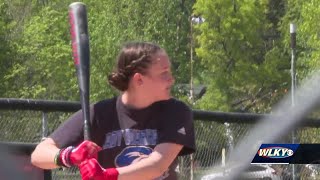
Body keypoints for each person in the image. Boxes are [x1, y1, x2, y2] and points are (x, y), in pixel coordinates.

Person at [31, 41, 196, 180]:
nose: (171, 79)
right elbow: (38, 155)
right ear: (139, 79)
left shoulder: (176, 112)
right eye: (164, 73)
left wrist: (108, 175)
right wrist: (70, 156)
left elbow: (157, 165)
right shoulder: (100, 113)